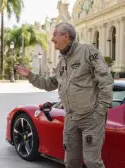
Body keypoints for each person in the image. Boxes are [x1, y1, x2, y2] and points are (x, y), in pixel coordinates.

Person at [15, 22, 114, 168]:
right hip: (71, 119)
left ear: (66, 35)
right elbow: (50, 84)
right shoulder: (62, 61)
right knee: (71, 162)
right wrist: (30, 75)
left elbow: (106, 80)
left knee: (92, 162)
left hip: (91, 117)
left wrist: (101, 110)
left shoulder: (87, 51)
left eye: (55, 34)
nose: (52, 39)